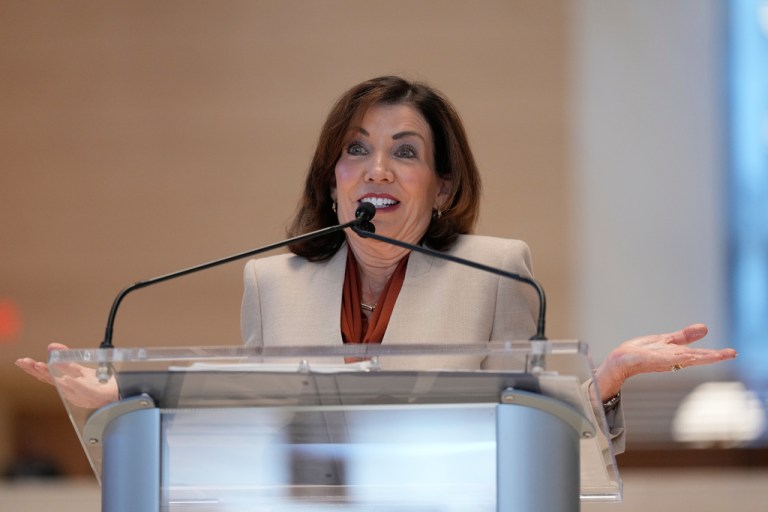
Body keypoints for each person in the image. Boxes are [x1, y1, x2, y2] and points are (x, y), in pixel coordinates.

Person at [16, 76, 737, 451]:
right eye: (357, 150)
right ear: (333, 179)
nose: (377, 170)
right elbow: (234, 420)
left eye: (406, 151)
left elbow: (533, 432)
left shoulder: (498, 273)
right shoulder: (273, 282)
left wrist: (604, 382)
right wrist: (124, 404)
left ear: (443, 186)